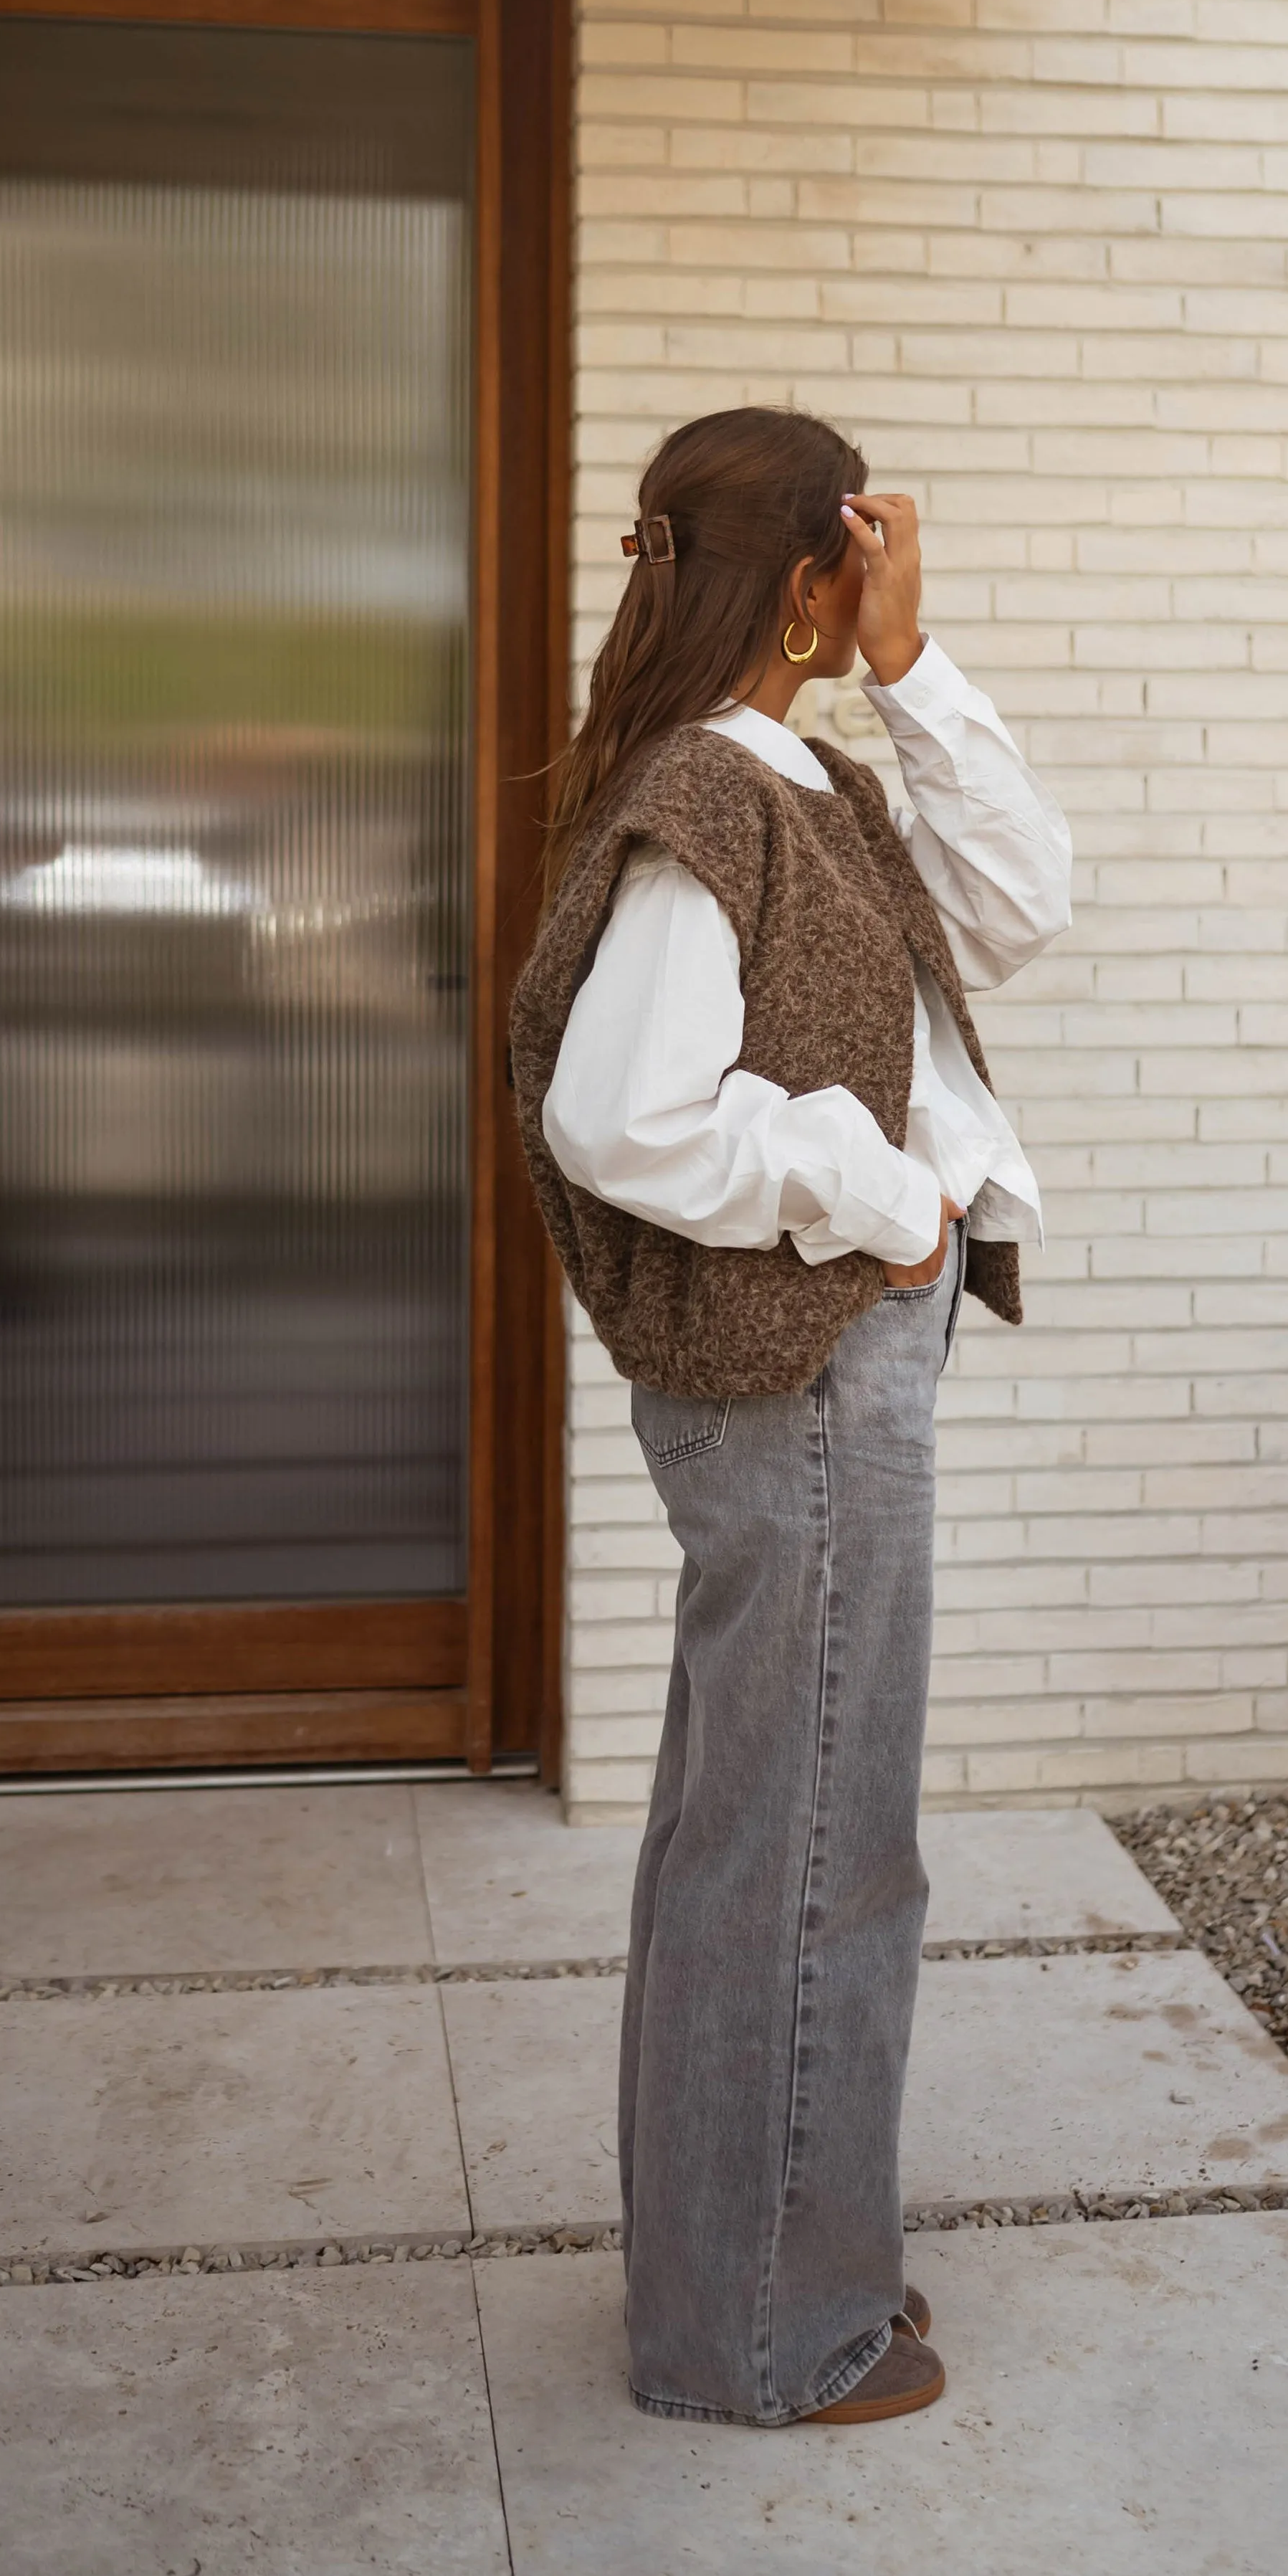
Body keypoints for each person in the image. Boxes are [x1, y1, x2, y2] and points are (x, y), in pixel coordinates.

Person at [508, 407, 1071, 2427]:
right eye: (864, 562)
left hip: (829, 1367)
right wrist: (880, 1193)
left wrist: (913, 666)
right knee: (812, 1852)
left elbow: (1019, 898)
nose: (874, 592)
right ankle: (764, 2326)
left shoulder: (794, 778)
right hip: (813, 1370)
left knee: (764, 1836)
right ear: (811, 566)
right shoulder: (715, 797)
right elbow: (621, 1112)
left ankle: (744, 2279)